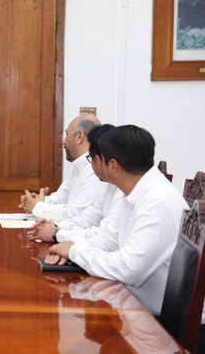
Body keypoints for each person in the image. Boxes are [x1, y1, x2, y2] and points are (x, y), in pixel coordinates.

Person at [45, 125, 189, 316]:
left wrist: (74, 251)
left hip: (157, 320)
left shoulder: (157, 201)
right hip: (132, 305)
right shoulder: (135, 192)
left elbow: (128, 269)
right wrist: (70, 248)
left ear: (112, 165)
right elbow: (110, 240)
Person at [28, 124, 124, 243]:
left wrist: (56, 233)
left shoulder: (124, 191)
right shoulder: (111, 186)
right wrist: (54, 228)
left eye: (90, 158)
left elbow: (107, 238)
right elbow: (87, 219)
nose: (64, 141)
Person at [20, 115, 104, 221]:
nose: (64, 141)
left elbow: (78, 215)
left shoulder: (94, 170)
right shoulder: (78, 165)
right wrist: (39, 201)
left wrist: (38, 207)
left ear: (80, 137)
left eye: (67, 135)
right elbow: (62, 198)